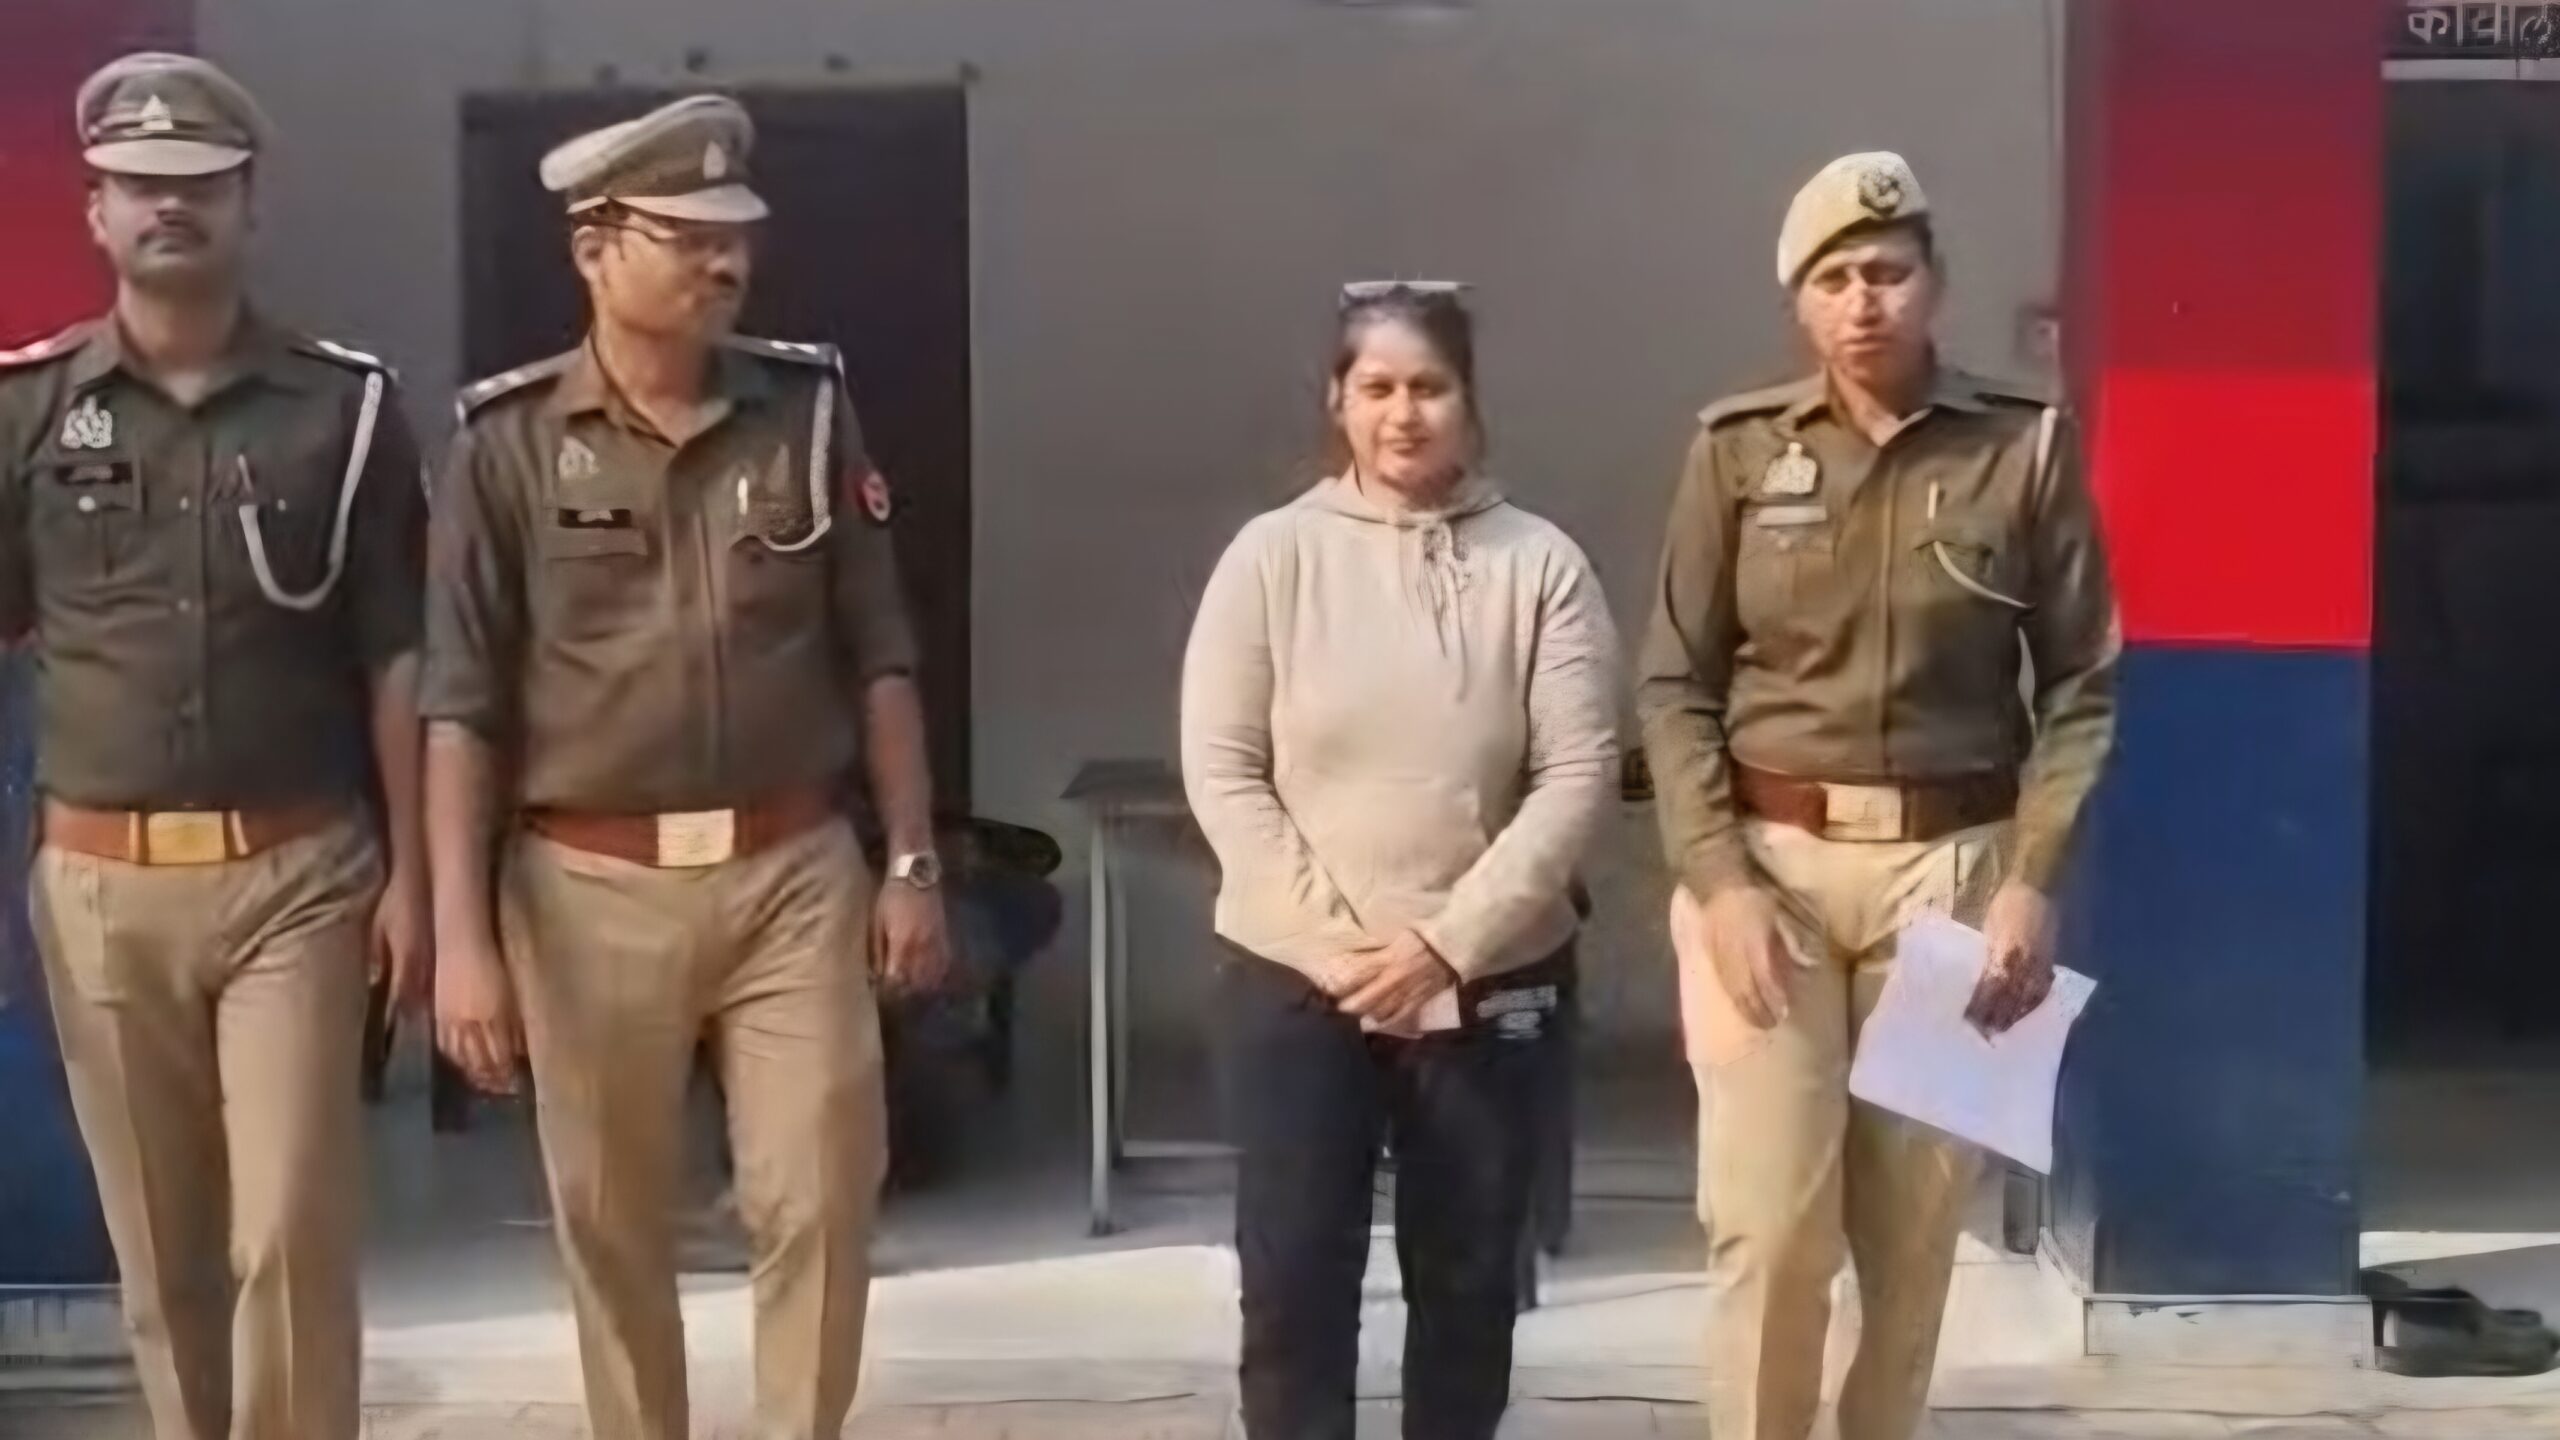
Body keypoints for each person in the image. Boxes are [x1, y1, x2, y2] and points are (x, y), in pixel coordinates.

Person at [420, 94, 949, 1440]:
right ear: (594, 250)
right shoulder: (505, 443)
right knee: (609, 1218)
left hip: (792, 871)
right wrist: (462, 940)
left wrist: (911, 861)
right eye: (688, 236)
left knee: (821, 1193)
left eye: (737, 236)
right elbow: (460, 705)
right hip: (585, 885)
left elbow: (881, 654)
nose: (725, 261)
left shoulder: (806, 413)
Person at [1638, 152, 2119, 1440]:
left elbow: (2082, 683)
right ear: (1801, 302)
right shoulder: (1737, 452)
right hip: (1771, 877)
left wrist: (2032, 882)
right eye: (1836, 278)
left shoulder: (2024, 448)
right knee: (1769, 1232)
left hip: (1955, 878)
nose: (1864, 301)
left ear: (1933, 286)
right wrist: (1716, 882)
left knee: (1912, 1244)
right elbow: (1673, 684)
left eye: (1888, 273)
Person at [0, 54, 429, 1440]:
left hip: (296, 874)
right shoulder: (26, 407)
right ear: (95, 210)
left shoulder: (344, 408)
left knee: (290, 1232)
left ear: (252, 205)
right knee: (163, 1253)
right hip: (100, 883)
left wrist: (418, 885)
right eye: (137, 184)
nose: (167, 206)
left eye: (198, 185)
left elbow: (399, 655)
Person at [1181, 281, 1622, 1440]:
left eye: (1429, 387)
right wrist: (1336, 950)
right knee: (1293, 1286)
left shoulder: (1540, 565)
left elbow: (1576, 776)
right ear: (1337, 400)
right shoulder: (1270, 559)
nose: (1403, 413)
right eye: (1376, 387)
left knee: (1470, 1283)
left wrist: (1445, 944)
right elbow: (1223, 769)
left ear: (1469, 402)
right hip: (1297, 981)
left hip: (1489, 978)